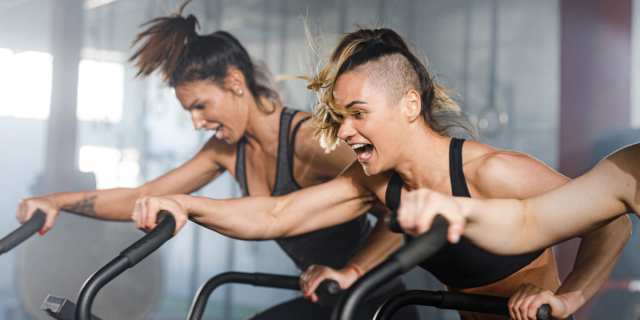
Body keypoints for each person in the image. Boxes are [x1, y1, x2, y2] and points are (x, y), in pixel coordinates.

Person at [131, 27, 631, 320]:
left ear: (410, 105)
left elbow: (614, 220)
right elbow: (277, 214)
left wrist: (565, 299)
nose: (344, 130)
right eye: (339, 116)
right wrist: (188, 206)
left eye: (358, 113)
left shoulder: (493, 172)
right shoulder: (376, 181)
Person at [14, 4, 417, 319]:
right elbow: (145, 195)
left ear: (236, 84)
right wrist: (58, 202)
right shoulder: (226, 149)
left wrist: (352, 273)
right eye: (190, 111)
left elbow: (398, 212)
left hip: (375, 300)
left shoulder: (312, 140)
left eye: (201, 106)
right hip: (324, 296)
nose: (196, 123)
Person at [395, 142, 639, 319]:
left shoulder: (494, 170)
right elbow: (527, 219)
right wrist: (565, 301)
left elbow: (614, 227)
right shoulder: (629, 164)